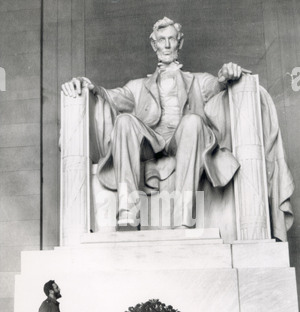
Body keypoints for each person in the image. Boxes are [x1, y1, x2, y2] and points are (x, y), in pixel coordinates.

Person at [61, 17, 294, 239]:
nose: (167, 44)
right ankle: (128, 212)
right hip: (149, 143)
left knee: (193, 121)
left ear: (179, 42)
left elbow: (219, 85)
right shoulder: (137, 87)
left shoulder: (198, 81)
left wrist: (227, 74)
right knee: (123, 122)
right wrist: (88, 85)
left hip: (184, 140)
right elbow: (110, 96)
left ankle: (184, 218)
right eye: (161, 40)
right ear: (154, 44)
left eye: (172, 39)